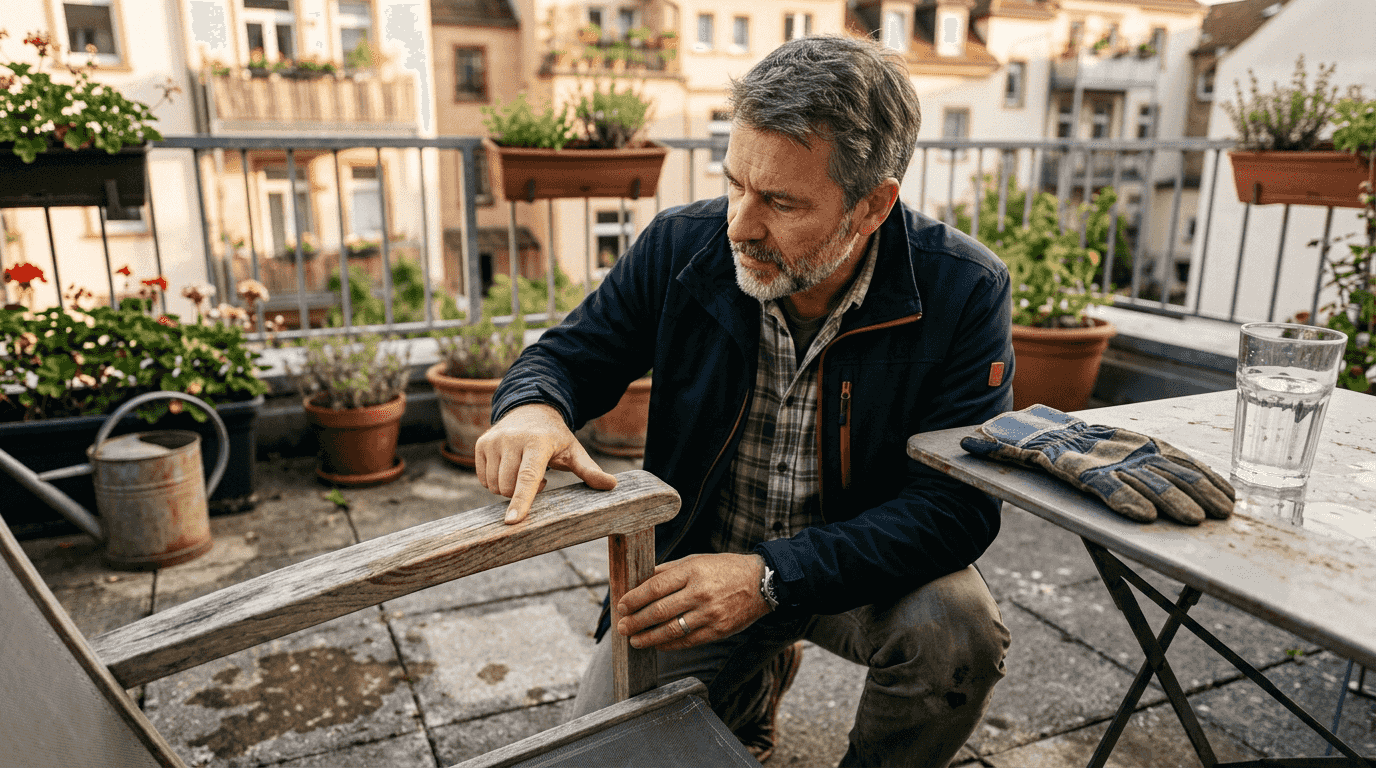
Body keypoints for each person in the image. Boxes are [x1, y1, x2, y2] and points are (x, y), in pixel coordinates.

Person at [475, 34, 1013, 768]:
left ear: (873, 205)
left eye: (781, 202)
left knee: (958, 631)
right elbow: (571, 354)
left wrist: (771, 577)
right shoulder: (683, 246)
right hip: (698, 563)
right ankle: (752, 676)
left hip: (859, 569)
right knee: (597, 757)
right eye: (735, 184)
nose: (740, 225)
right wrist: (531, 406)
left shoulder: (964, 289)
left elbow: (959, 508)